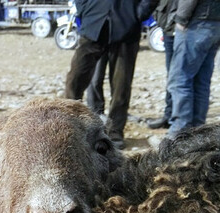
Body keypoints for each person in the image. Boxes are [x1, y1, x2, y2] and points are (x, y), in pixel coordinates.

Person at [64, 0, 155, 149]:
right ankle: (70, 124)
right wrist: (84, 9)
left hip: (126, 26)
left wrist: (139, 13)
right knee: (75, 78)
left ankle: (115, 131)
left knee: (121, 84)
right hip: (94, 22)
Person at [165, 0, 220, 138]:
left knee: (180, 81)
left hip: (197, 23)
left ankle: (178, 134)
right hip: (219, 21)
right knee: (201, 82)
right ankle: (198, 132)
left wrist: (181, 19)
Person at [146, 0, 178, 129]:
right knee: (173, 76)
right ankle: (170, 115)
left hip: (180, 25)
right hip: (169, 25)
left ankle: (177, 119)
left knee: (179, 78)